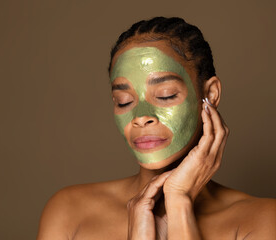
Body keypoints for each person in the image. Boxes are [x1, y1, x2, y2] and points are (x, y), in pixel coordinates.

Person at [36, 17, 276, 239]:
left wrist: (180, 201)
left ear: (210, 95)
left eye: (165, 95)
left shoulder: (262, 219)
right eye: (124, 101)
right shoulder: (70, 211)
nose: (141, 117)